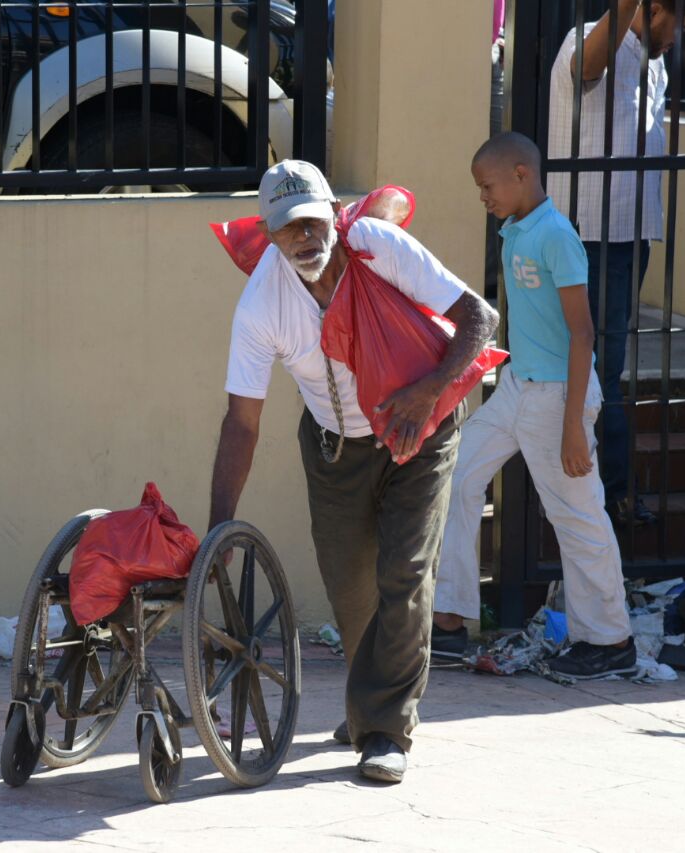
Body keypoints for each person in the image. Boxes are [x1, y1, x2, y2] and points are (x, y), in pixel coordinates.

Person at [209, 160, 499, 783]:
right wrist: (219, 528)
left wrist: (429, 391)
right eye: (290, 230)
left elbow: (481, 318)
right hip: (336, 446)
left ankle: (386, 730)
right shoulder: (263, 303)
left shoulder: (377, 247)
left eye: (314, 222)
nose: (306, 239)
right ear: (270, 233)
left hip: (418, 429)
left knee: (405, 571)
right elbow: (242, 421)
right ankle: (369, 699)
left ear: (333, 218)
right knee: (351, 586)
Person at [434, 133, 636, 681]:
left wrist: (573, 424)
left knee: (577, 515)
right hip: (518, 388)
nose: (482, 196)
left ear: (521, 173)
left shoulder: (556, 236)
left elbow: (583, 333)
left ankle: (610, 640)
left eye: (487, 185)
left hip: (557, 398)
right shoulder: (514, 231)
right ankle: (449, 624)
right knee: (454, 477)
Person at [547, 0, 685, 527]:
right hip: (588, 239)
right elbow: (585, 70)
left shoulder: (652, 60)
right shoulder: (590, 41)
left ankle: (590, 492)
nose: (681, 36)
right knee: (593, 371)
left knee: (599, 368)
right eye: (678, 23)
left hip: (627, 237)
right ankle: (605, 494)